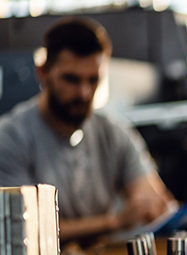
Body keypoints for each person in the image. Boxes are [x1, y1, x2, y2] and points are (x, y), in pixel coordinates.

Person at [0, 17, 172, 243]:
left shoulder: (114, 133)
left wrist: (150, 205)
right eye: (71, 79)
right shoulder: (10, 138)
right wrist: (114, 222)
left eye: (93, 80)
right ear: (43, 72)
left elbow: (156, 201)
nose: (84, 93)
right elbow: (24, 229)